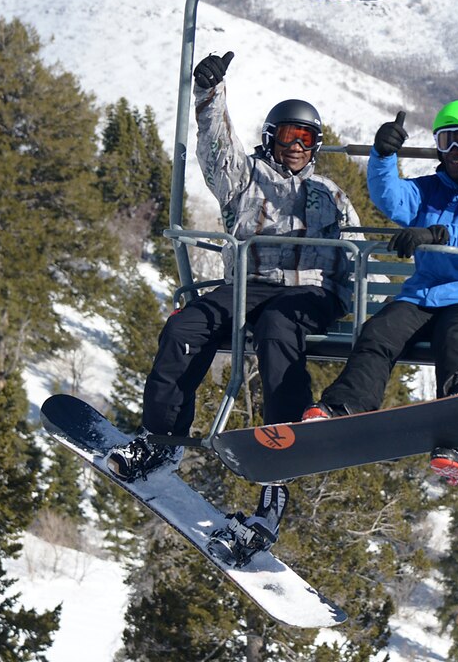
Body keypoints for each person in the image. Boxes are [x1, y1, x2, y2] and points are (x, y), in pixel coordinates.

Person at [107, 50, 360, 557]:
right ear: (271, 138)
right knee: (185, 327)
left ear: (316, 145)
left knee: (276, 333)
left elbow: (352, 255)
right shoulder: (244, 181)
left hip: (309, 291)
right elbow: (217, 150)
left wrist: (341, 297)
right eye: (287, 136)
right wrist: (209, 95)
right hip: (250, 285)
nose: (295, 146)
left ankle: (276, 477)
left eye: (305, 138)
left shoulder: (330, 195)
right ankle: (160, 438)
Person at [301, 101, 458, 487]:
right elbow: (393, 199)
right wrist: (383, 156)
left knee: (456, 342)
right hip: (425, 295)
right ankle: (345, 406)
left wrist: (441, 234)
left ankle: (457, 443)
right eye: (445, 141)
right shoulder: (431, 190)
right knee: (379, 333)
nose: (454, 152)